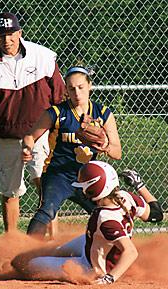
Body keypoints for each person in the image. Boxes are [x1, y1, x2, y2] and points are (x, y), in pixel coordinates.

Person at [0, 12, 66, 232]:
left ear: (20, 33)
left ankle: (52, 241)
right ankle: (12, 243)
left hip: (39, 134)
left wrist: (59, 129)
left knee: (44, 185)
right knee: (10, 191)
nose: (7, 40)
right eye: (1, 35)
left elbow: (59, 97)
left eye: (11, 34)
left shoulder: (43, 57)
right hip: (5, 138)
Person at [11, 161, 164, 284]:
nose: (82, 189)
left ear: (93, 189)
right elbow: (156, 215)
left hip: (92, 266)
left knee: (27, 266)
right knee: (54, 250)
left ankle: (29, 261)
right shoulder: (125, 196)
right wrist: (139, 185)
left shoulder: (105, 218)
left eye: (85, 185)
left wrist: (109, 278)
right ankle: (37, 255)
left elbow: (130, 252)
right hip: (95, 245)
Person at [22, 66, 122, 238]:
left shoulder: (103, 113)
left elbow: (117, 153)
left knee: (108, 212)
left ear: (90, 86)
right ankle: (24, 255)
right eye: (71, 88)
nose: (77, 93)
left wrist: (105, 146)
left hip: (88, 176)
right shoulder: (57, 112)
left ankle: (114, 254)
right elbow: (30, 136)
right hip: (58, 174)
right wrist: (27, 148)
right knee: (47, 210)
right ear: (66, 90)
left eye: (81, 87)